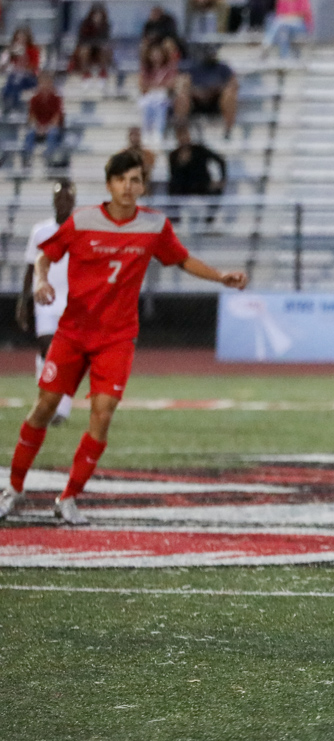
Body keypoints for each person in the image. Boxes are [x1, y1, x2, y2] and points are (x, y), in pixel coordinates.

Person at [0, 149, 248, 526]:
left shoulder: (153, 226)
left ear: (143, 185)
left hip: (116, 338)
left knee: (103, 415)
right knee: (45, 406)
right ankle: (13, 489)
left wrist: (220, 277)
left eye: (135, 180)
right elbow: (44, 257)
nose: (128, 187)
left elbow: (181, 259)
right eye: (121, 180)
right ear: (109, 184)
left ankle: (68, 498)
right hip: (72, 332)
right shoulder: (82, 221)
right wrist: (41, 280)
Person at [16, 181, 77, 427]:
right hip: (46, 299)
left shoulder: (81, 230)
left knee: (70, 357)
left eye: (66, 198)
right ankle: (45, 399)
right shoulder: (41, 231)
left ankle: (61, 409)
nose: (62, 202)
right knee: (47, 348)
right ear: (52, 201)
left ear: (73, 201)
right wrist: (23, 301)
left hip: (73, 301)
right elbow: (31, 267)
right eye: (58, 198)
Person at [168, 125, 227, 225]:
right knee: (171, 186)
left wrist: (222, 179)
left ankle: (209, 220)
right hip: (185, 187)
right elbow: (174, 175)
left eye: (186, 135)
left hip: (202, 184)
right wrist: (181, 163)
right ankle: (176, 218)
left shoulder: (200, 149)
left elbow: (220, 161)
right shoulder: (174, 155)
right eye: (181, 136)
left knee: (217, 190)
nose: (184, 139)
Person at [175, 47, 238, 139]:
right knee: (181, 96)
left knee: (229, 94)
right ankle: (181, 131)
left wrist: (217, 89)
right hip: (195, 101)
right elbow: (181, 84)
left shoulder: (223, 68)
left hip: (217, 101)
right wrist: (196, 91)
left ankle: (228, 130)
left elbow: (234, 84)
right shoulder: (192, 68)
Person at [22, 73, 64, 171]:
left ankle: (48, 160)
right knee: (29, 134)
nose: (44, 86)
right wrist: (38, 127)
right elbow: (32, 116)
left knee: (52, 133)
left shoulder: (56, 99)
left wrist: (46, 128)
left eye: (47, 83)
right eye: (42, 83)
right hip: (39, 127)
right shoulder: (34, 99)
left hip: (51, 127)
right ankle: (26, 160)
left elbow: (56, 117)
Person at [139, 42, 177, 145]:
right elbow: (142, 85)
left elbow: (171, 84)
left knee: (161, 105)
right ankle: (146, 132)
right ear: (149, 55)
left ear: (163, 55)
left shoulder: (168, 68)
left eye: (158, 54)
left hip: (163, 96)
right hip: (149, 96)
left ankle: (158, 132)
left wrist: (153, 85)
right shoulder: (146, 69)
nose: (156, 56)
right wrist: (157, 85)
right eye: (153, 54)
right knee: (147, 106)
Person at [2, 27, 41, 115]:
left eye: (23, 38)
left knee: (15, 83)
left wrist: (23, 57)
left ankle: (14, 108)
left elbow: (34, 68)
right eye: (18, 38)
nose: (21, 41)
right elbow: (3, 68)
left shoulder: (33, 50)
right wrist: (9, 56)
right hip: (14, 78)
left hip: (29, 78)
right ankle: (10, 108)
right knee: (11, 83)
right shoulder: (11, 50)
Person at [71, 3, 114, 83]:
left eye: (99, 14)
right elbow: (82, 40)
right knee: (85, 50)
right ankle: (86, 74)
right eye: (96, 14)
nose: (97, 16)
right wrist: (93, 43)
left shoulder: (106, 25)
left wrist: (96, 42)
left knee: (105, 48)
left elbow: (106, 40)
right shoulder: (85, 24)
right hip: (87, 49)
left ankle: (103, 73)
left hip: (100, 50)